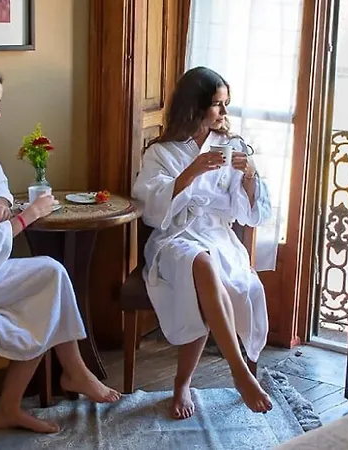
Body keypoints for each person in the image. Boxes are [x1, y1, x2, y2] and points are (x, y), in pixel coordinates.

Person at [0, 57, 121, 434]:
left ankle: (35, 394)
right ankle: (67, 375)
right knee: (51, 278)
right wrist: (28, 216)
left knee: (49, 282)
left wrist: (1, 201)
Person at [132, 66, 273, 420]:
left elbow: (249, 212)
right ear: (195, 106)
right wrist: (191, 171)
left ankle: (186, 382)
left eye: (226, 104)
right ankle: (238, 372)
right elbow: (150, 208)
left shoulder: (231, 146)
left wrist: (250, 174)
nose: (224, 112)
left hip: (217, 235)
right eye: (217, 104)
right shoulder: (160, 152)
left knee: (216, 271)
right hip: (175, 237)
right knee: (200, 262)